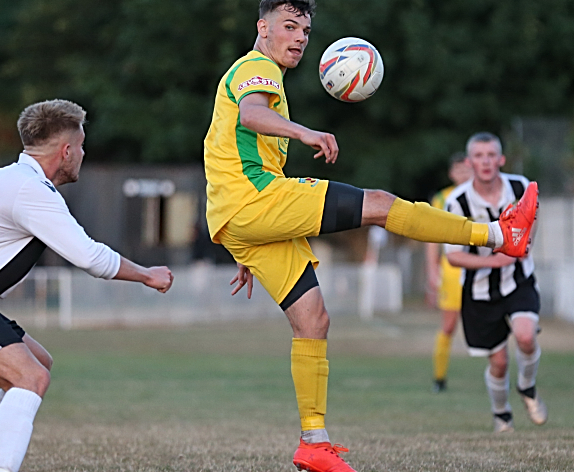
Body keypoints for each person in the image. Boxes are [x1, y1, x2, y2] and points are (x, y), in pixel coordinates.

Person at [202, 1, 538, 470]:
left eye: (305, 29)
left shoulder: (264, 74)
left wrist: (245, 239)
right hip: (253, 203)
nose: (299, 37)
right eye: (289, 26)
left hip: (246, 215)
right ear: (263, 27)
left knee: (313, 321)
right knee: (379, 204)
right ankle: (500, 234)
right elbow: (251, 116)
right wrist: (304, 133)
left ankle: (313, 444)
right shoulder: (257, 67)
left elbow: (233, 146)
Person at [0, 99, 174, 472]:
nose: (84, 154)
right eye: (82, 146)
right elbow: (89, 256)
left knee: (38, 362)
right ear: (67, 150)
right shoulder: (29, 189)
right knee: (31, 376)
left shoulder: (8, 179)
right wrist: (147, 275)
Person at [445, 132, 546, 433]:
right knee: (499, 362)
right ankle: (501, 412)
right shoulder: (457, 200)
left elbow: (532, 217)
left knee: (526, 336)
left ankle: (527, 388)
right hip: (478, 290)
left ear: (501, 159)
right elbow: (453, 257)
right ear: (469, 161)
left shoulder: (518, 186)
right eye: (479, 155)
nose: (486, 161)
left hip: (518, 280)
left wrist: (524, 245)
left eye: (491, 155)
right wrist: (494, 260)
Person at [425, 152, 473, 392]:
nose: (464, 174)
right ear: (452, 173)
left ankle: (497, 375)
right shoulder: (442, 198)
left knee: (489, 322)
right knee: (449, 325)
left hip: (480, 268)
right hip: (452, 269)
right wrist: (432, 270)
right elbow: (432, 237)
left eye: (467, 169)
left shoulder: (484, 194)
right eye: (459, 170)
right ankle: (439, 378)